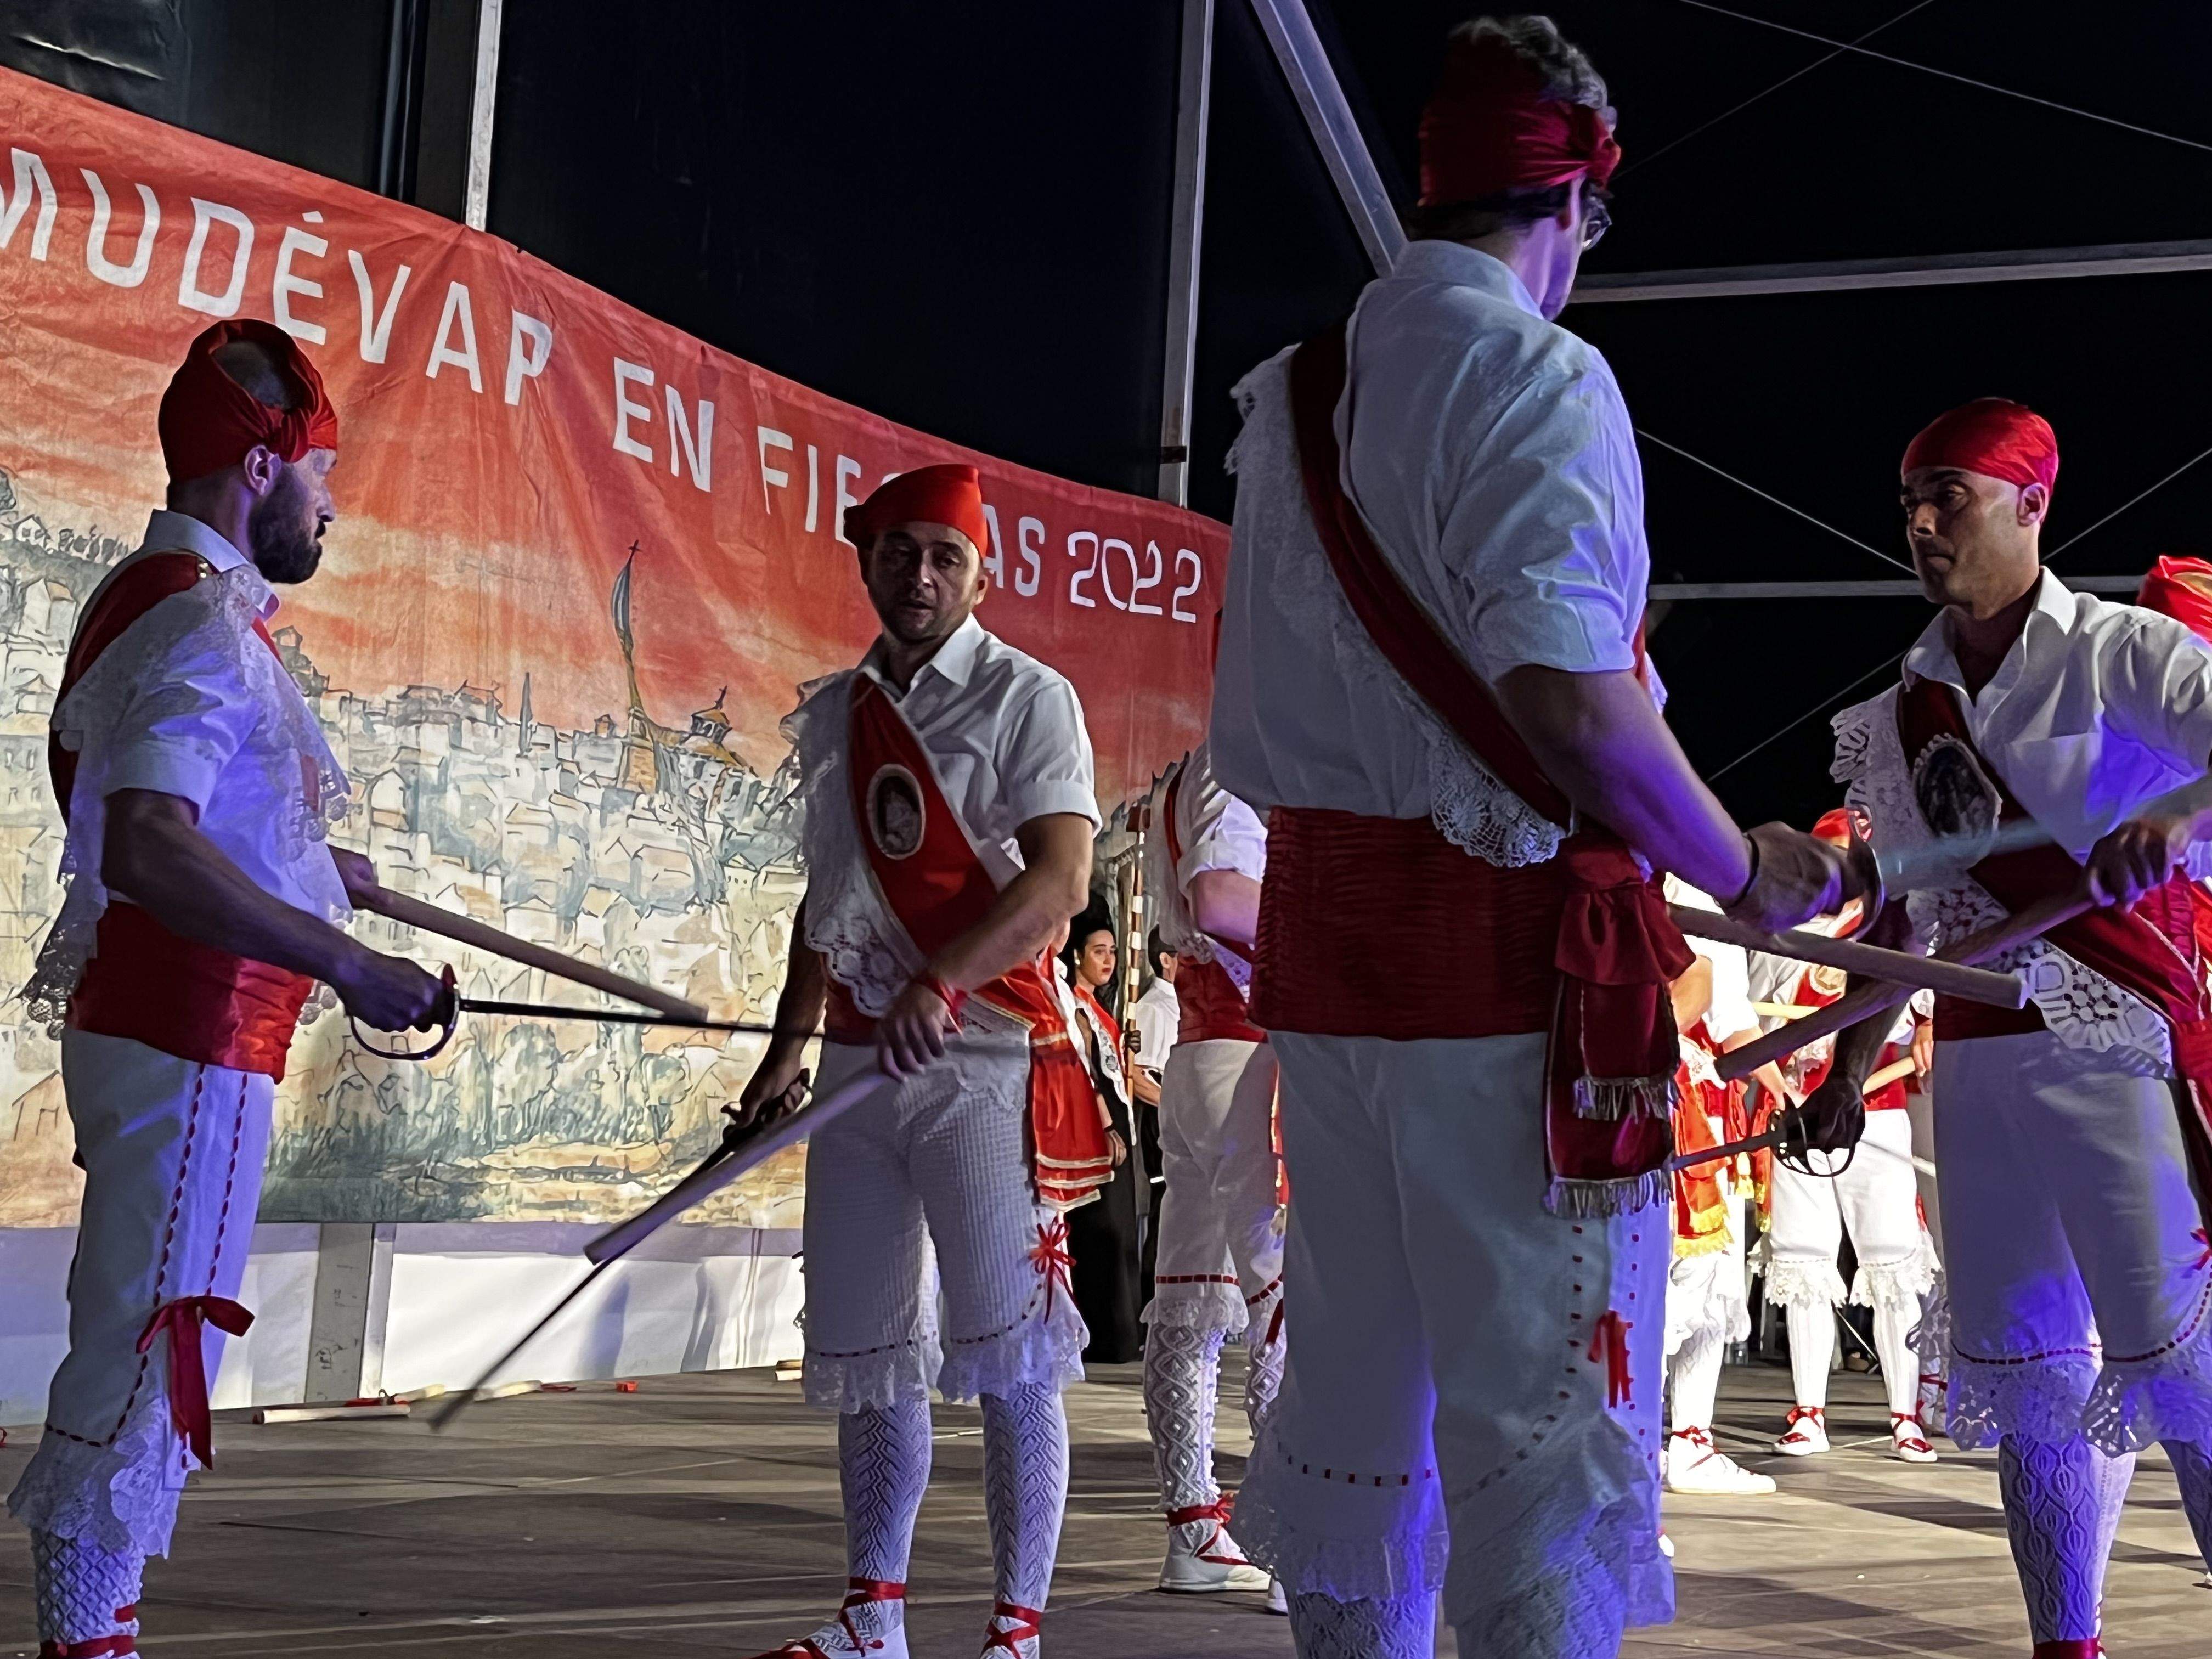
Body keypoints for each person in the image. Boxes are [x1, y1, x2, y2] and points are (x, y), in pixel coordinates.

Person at [1207, 18, 1861, 1657]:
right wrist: (1744, 867)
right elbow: (1569, 703)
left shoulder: (1290, 396)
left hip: (1333, 978)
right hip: (1503, 986)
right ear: (1569, 204)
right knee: (1542, 1436)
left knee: (1356, 1406)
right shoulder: (1538, 375)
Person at [5, 320, 448, 1659]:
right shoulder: (203, 622)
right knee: (148, 1360)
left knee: (140, 1343)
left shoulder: (138, 601)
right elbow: (146, 838)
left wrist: (319, 867)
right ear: (260, 469)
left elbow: (171, 817)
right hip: (198, 1038)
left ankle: (101, 1634)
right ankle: (89, 1645)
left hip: (169, 1036)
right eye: (319, 473)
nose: (331, 505)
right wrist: (343, 959)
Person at [1813, 398, 2212, 1656]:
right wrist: (1846, 1068)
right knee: (2031, 1381)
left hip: (2121, 1047)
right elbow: (1905, 908)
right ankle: (2066, 1643)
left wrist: (2184, 815)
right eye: (1911, 501)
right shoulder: (1903, 707)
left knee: (2186, 1372)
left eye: (1953, 498)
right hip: (1979, 1062)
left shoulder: (2121, 652)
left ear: (2034, 503)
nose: (1923, 526)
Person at [736, 462, 1105, 1659]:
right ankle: (872, 1618)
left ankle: (1014, 1630)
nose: (922, 576)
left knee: (1010, 1355)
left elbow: (1062, 881)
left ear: (981, 571)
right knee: (868, 1347)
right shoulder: (841, 711)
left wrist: (945, 979)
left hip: (982, 1060)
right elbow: (828, 895)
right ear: (866, 560)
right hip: (855, 1062)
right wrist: (787, 1051)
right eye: (899, 552)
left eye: (945, 556)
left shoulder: (1025, 698)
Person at [1752, 811, 1939, 1466]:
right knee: (1803, 1263)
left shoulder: (1898, 929)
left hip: (1876, 1113)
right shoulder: (1786, 932)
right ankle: (1808, 1411)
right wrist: (1781, 1088)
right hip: (1800, 1113)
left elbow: (1925, 1019)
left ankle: (1904, 1415)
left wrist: (1920, 1031)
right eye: (1831, 855)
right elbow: (1754, 1018)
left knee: (1890, 1265)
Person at [1139, 742, 1278, 1595]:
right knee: (1279, 1294)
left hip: (1202, 1054)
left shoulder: (1185, 768)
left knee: (1192, 1297)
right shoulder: (1244, 761)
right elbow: (1222, 898)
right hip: (1252, 1053)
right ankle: (1294, 1548)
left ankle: (1195, 1527)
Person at [1659, 883, 1774, 1499]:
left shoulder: (1708, 898)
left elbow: (1735, 1024)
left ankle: (1688, 1443)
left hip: (1702, 1097)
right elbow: (1710, 1005)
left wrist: (1788, 1094)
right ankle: (1644, 1442)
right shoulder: (1682, 888)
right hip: (1675, 1096)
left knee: (1713, 1282)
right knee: (1679, 1279)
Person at [1059, 912, 1144, 1364]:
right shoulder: (1073, 1005)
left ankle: (1123, 1334)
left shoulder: (1101, 1010)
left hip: (1119, 1119)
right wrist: (1106, 1125)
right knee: (1104, 1233)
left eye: (1113, 951)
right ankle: (1104, 1336)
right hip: (1099, 1125)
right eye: (1099, 951)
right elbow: (1084, 1072)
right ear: (1077, 956)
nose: (1109, 959)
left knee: (1124, 1230)